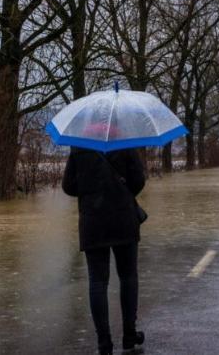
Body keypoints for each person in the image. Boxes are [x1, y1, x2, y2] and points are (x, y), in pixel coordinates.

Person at [63, 146, 146, 355]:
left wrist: (92, 190)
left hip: (93, 222)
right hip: (124, 219)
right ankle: (129, 335)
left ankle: (104, 343)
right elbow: (138, 181)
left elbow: (68, 186)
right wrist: (118, 192)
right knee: (128, 277)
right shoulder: (125, 142)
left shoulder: (78, 146)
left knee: (97, 282)